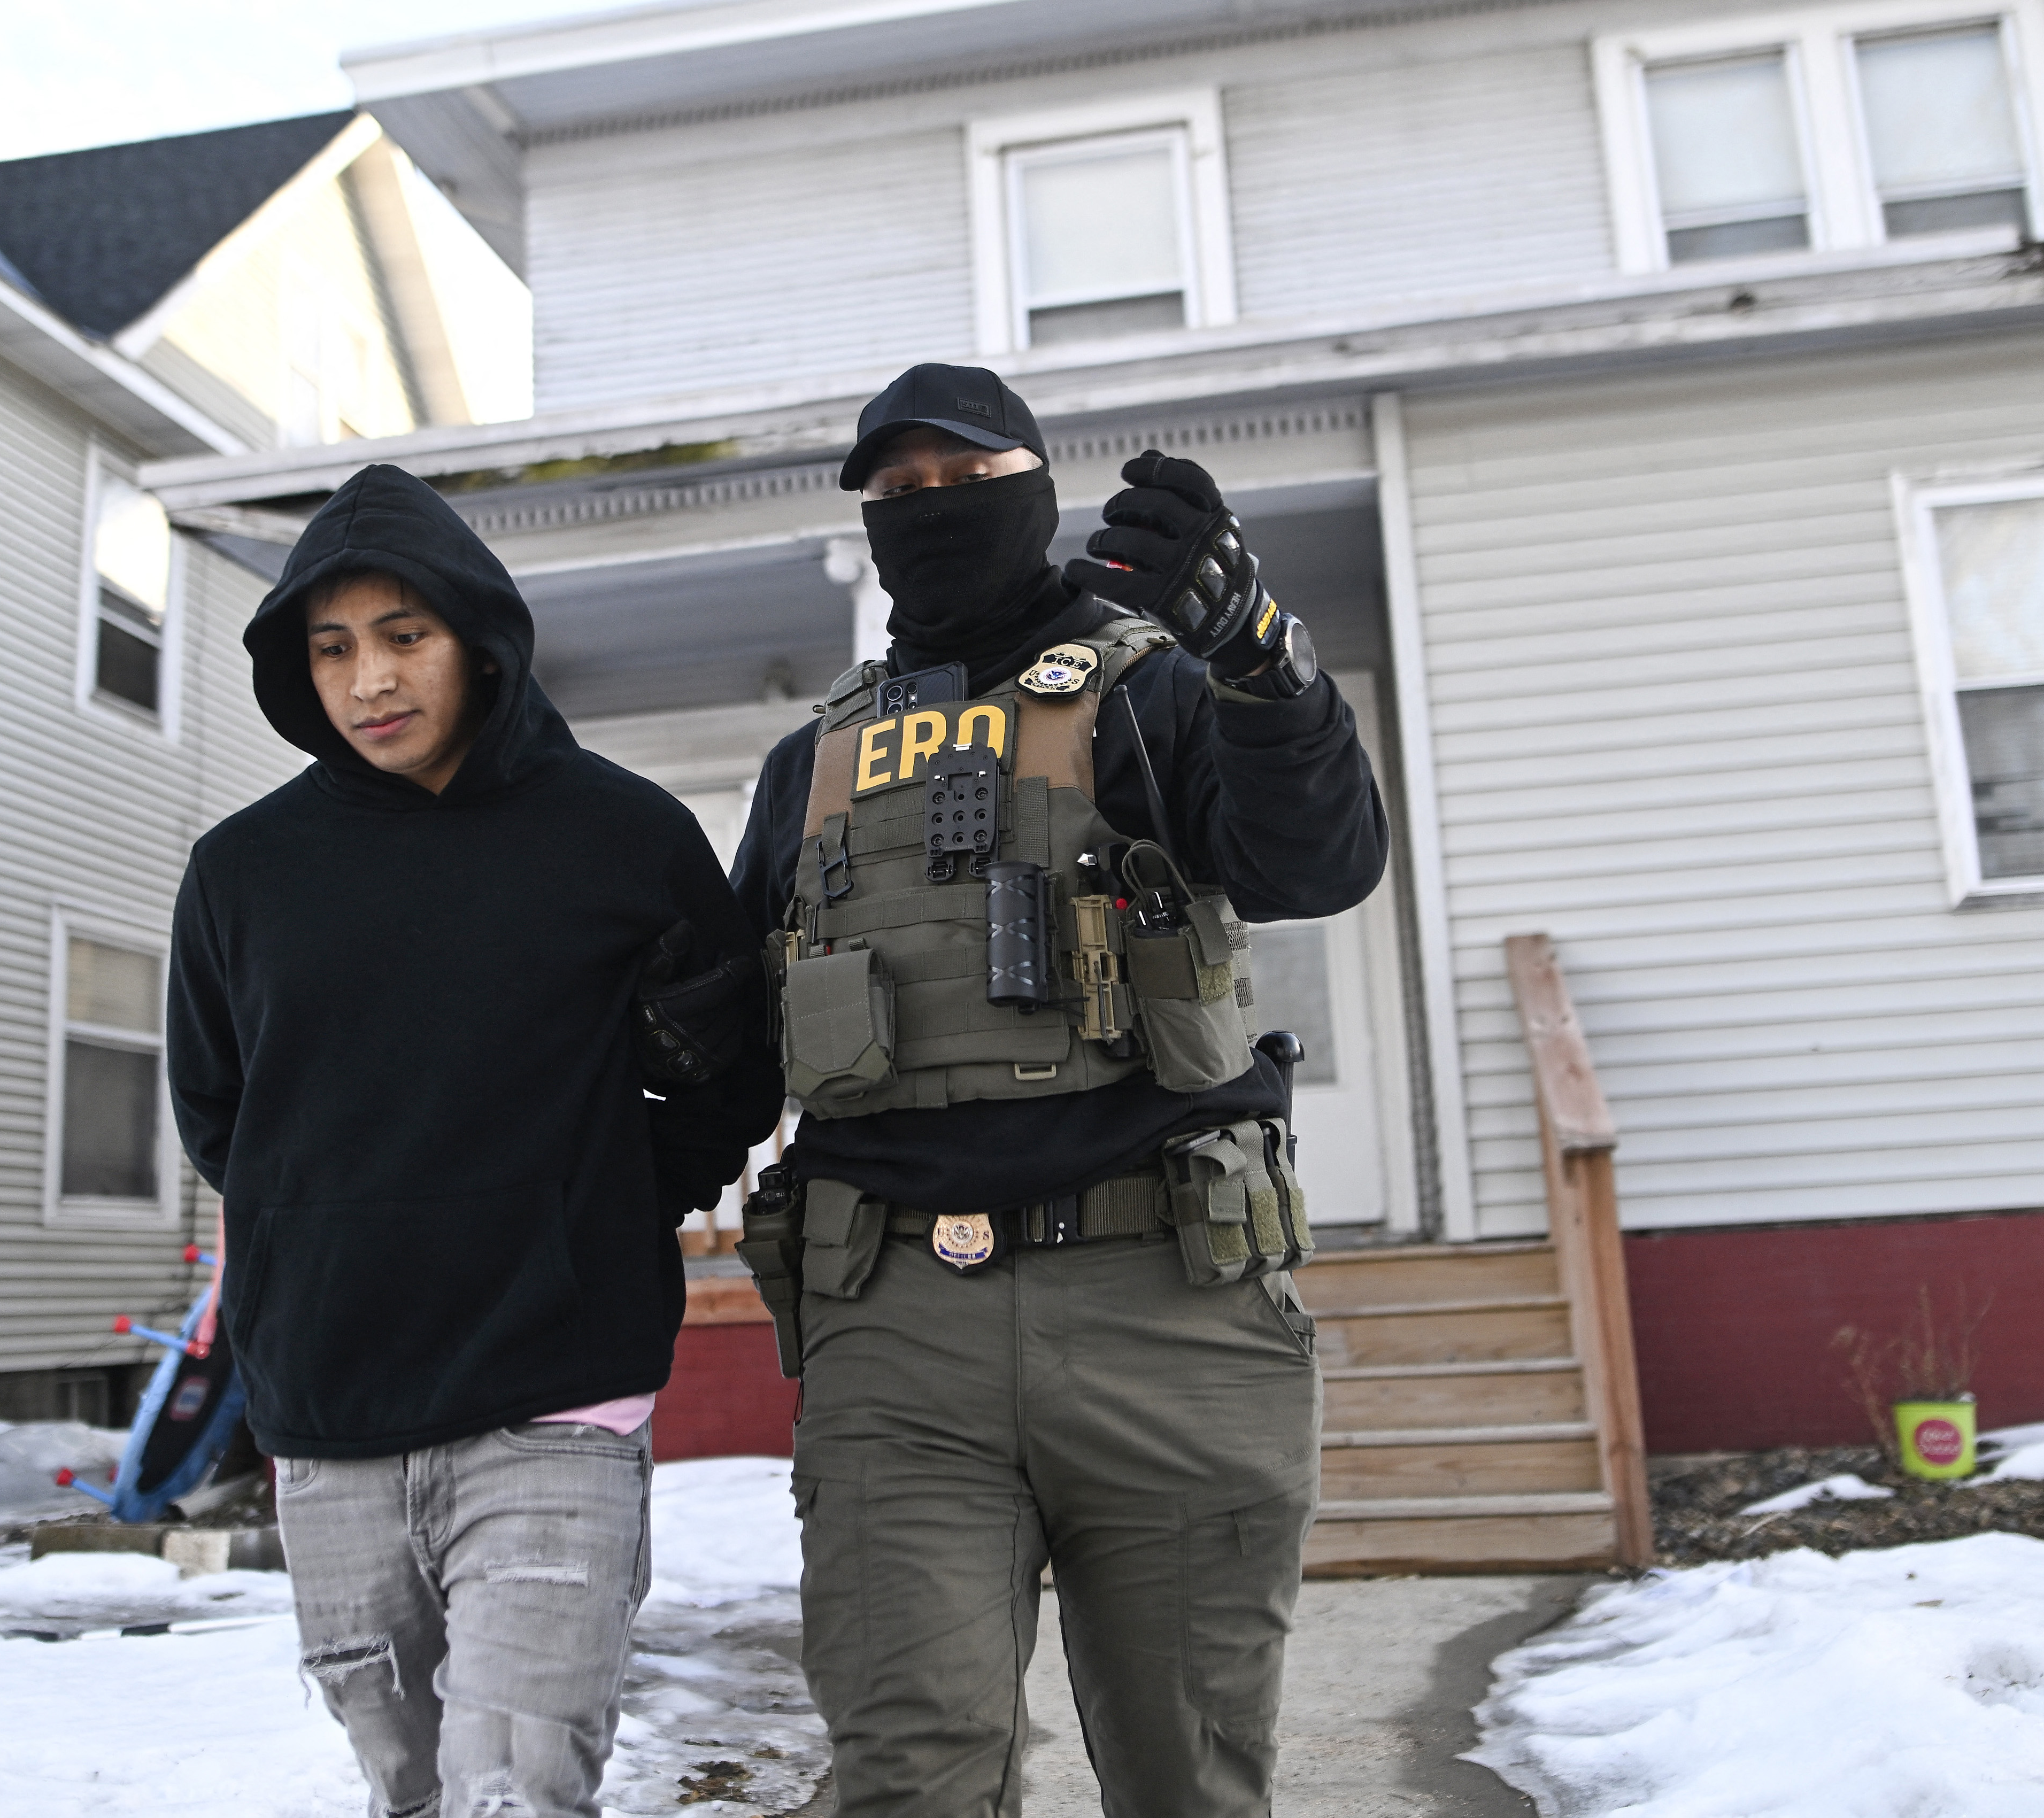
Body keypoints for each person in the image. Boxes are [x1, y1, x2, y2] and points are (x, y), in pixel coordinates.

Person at [731, 364, 1389, 1818]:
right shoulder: (810, 765)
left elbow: (1318, 860)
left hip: (1167, 1307)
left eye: (966, 481)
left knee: (1186, 1779)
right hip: (893, 1327)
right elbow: (725, 1040)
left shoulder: (1154, 689)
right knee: (908, 1779)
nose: (930, 508)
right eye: (898, 489)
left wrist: (1259, 655)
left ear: (1034, 490)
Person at [167, 463, 780, 1818]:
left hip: (553, 1397)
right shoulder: (242, 871)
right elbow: (218, 1110)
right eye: (333, 649)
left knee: (513, 1786)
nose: (370, 679)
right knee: (411, 1789)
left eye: (405, 636)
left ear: (477, 638)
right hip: (331, 1407)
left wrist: (602, 1207)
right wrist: (317, 1227)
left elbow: (734, 1070)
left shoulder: (621, 834)